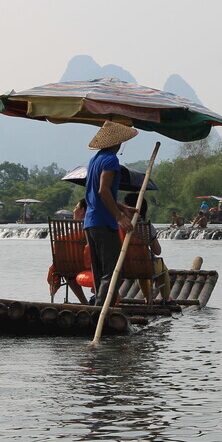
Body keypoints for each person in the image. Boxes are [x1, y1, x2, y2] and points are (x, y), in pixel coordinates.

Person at [84, 121, 139, 305]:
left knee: (100, 271)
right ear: (117, 142)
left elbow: (97, 193)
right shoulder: (111, 160)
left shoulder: (95, 160)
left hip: (91, 222)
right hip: (103, 222)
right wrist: (119, 217)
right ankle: (102, 311)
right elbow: (102, 190)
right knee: (114, 270)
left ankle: (98, 310)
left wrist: (123, 207)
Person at [123, 193, 174, 306]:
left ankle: (148, 297)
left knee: (141, 267)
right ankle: (166, 298)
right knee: (161, 267)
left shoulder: (118, 226)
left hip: (123, 266)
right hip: (143, 266)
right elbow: (157, 251)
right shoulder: (147, 227)